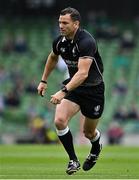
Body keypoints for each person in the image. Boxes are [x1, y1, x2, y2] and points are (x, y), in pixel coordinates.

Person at [37, 7, 105, 175]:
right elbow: (53, 57)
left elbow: (83, 74)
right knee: (59, 120)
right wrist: (43, 80)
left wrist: (62, 91)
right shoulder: (60, 41)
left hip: (93, 90)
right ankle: (73, 160)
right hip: (74, 88)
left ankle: (96, 148)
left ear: (76, 24)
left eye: (65, 22)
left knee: (89, 132)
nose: (61, 25)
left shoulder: (86, 41)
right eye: (60, 22)